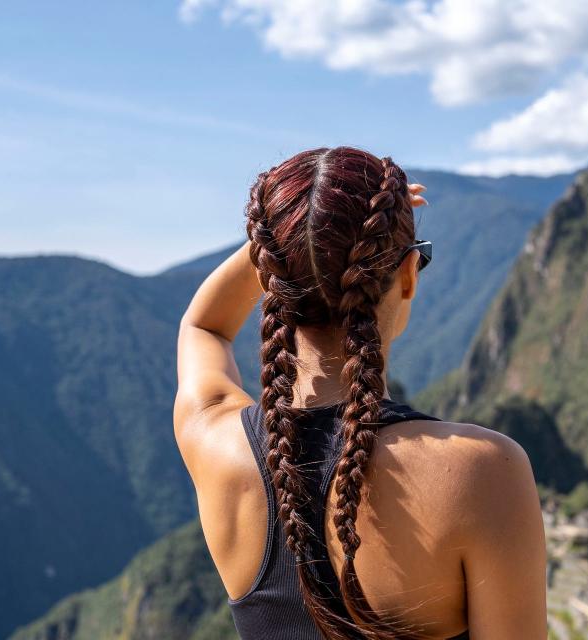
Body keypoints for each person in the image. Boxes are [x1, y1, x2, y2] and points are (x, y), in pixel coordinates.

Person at [174, 146, 546, 639]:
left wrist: (293, 231)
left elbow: (204, 327)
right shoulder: (483, 472)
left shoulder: (213, 440)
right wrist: (323, 229)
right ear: (408, 275)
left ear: (270, 279)